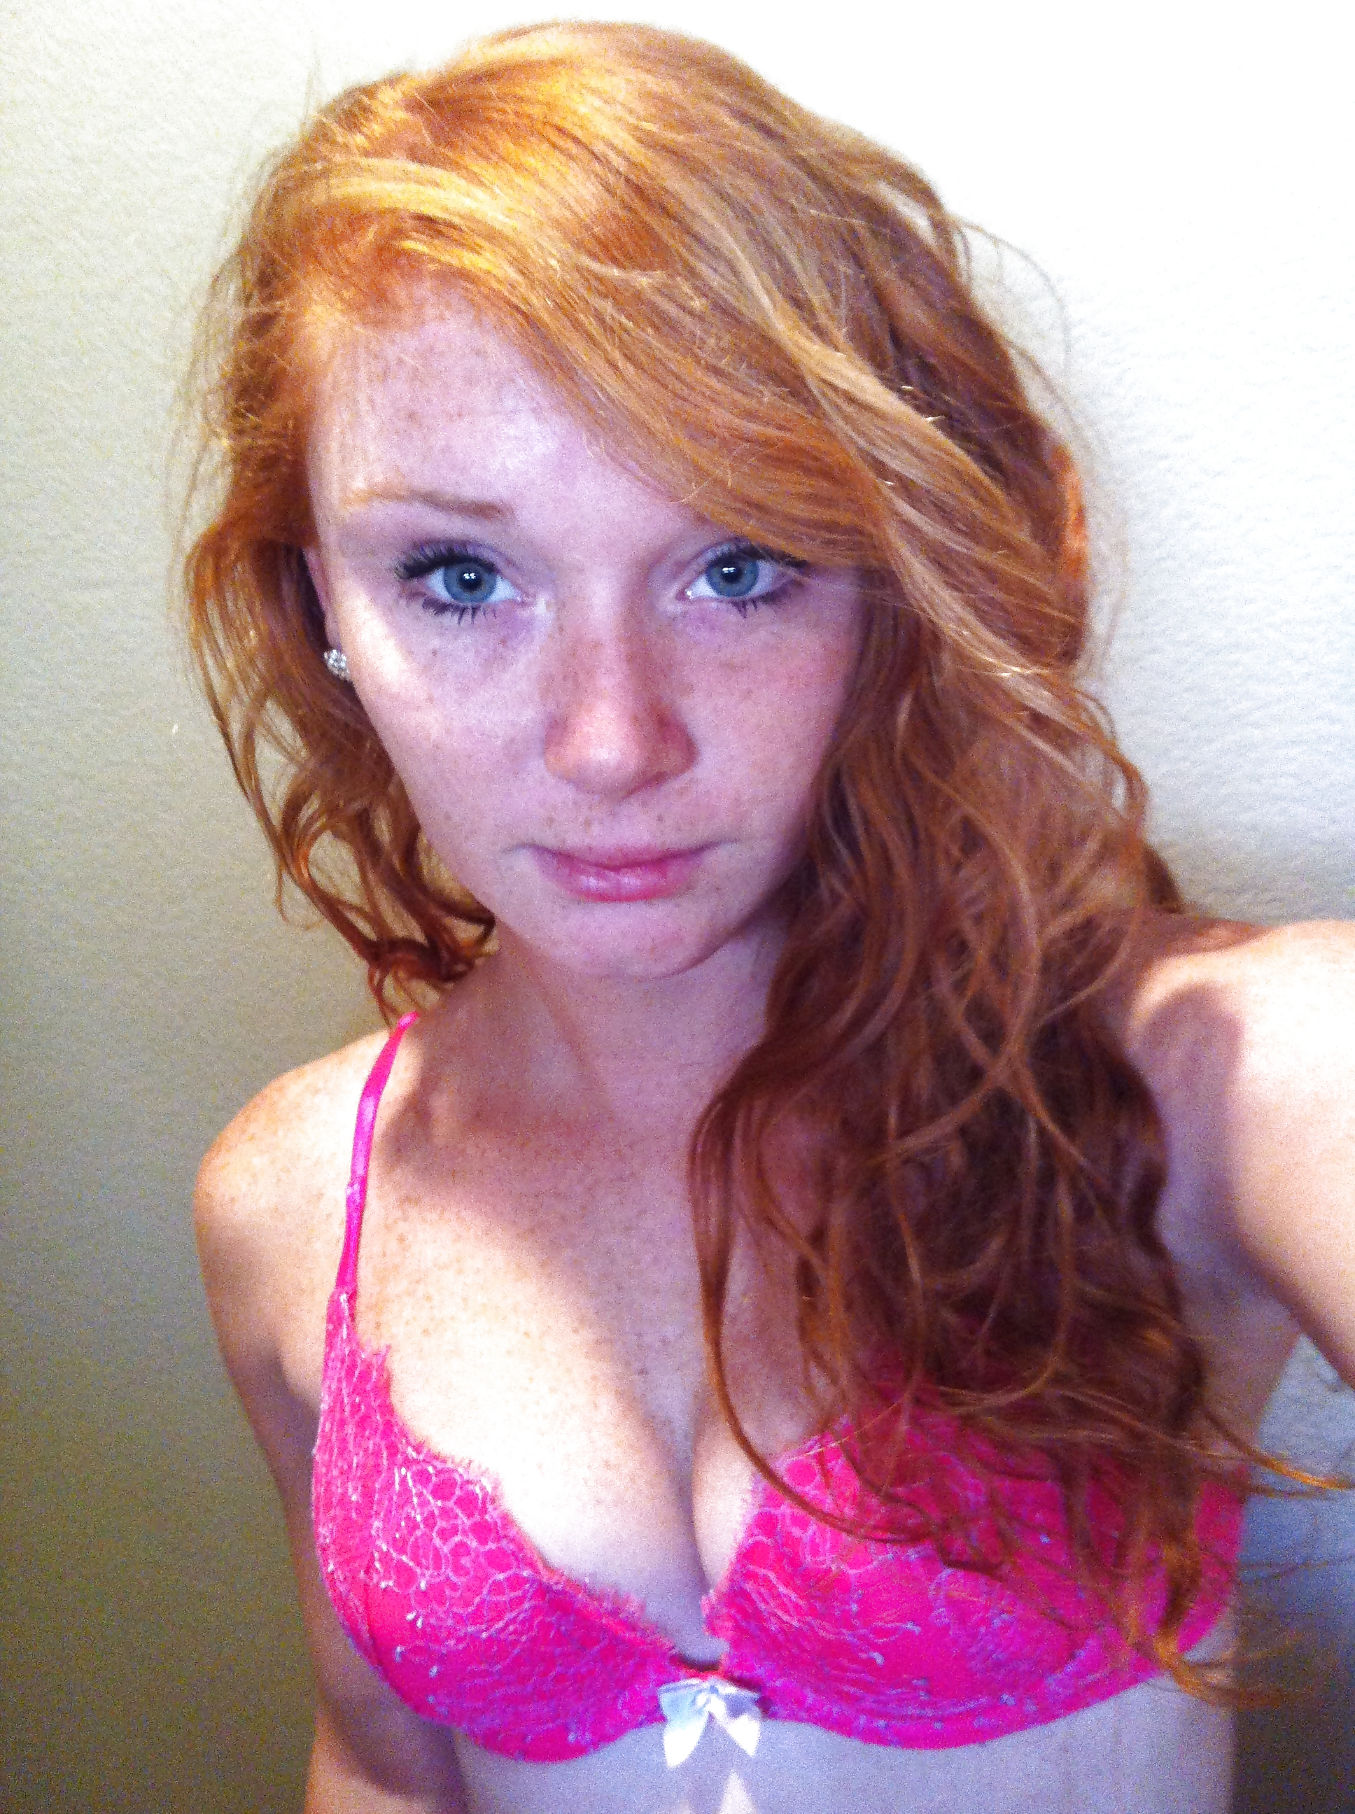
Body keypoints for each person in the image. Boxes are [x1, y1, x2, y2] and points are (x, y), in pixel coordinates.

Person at [186, 20, 1354, 1814]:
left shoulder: (1204, 1078)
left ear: (895, 576)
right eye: (459, 573)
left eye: (740, 563)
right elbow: (382, 1761)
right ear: (319, 603)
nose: (612, 740)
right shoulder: (285, 1203)